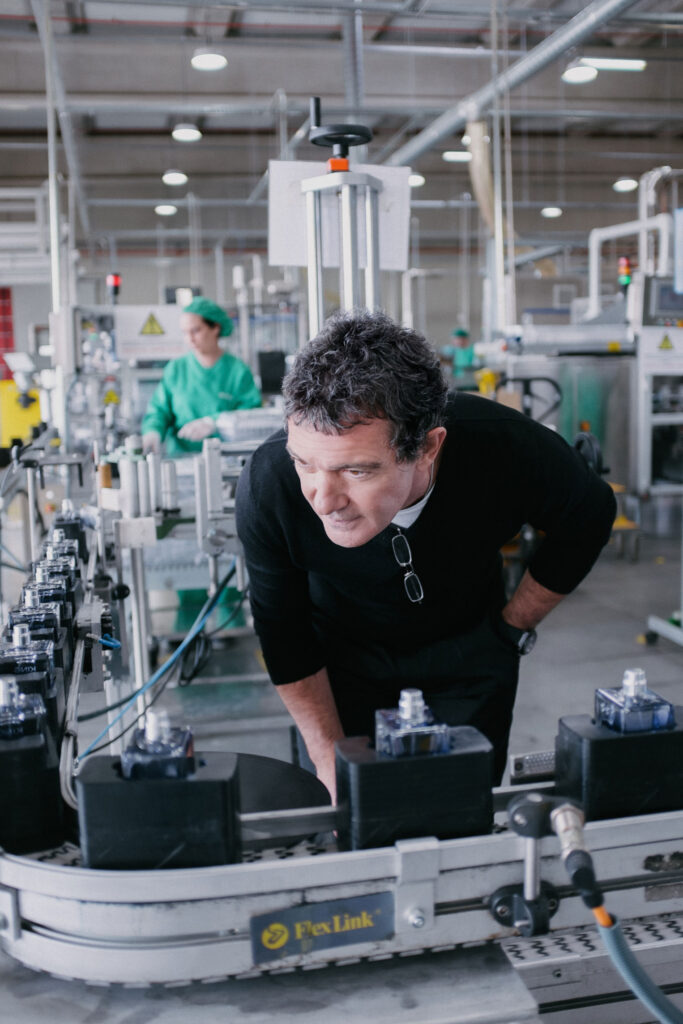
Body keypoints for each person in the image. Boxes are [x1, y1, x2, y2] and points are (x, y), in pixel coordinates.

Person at [235, 310, 616, 799]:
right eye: (304, 462)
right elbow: (284, 636)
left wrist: (512, 627)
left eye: (356, 471)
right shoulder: (271, 485)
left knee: (458, 811)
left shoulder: (503, 449)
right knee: (353, 820)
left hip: (470, 654)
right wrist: (329, 760)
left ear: (428, 448)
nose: (322, 499)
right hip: (338, 664)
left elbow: (589, 515)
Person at [141, 297, 261, 457]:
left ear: (215, 328)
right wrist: (153, 431)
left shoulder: (237, 371)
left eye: (196, 330)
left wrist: (215, 423)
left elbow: (250, 415)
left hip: (226, 461)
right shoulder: (176, 369)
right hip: (180, 460)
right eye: (185, 332)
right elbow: (159, 410)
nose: (189, 338)